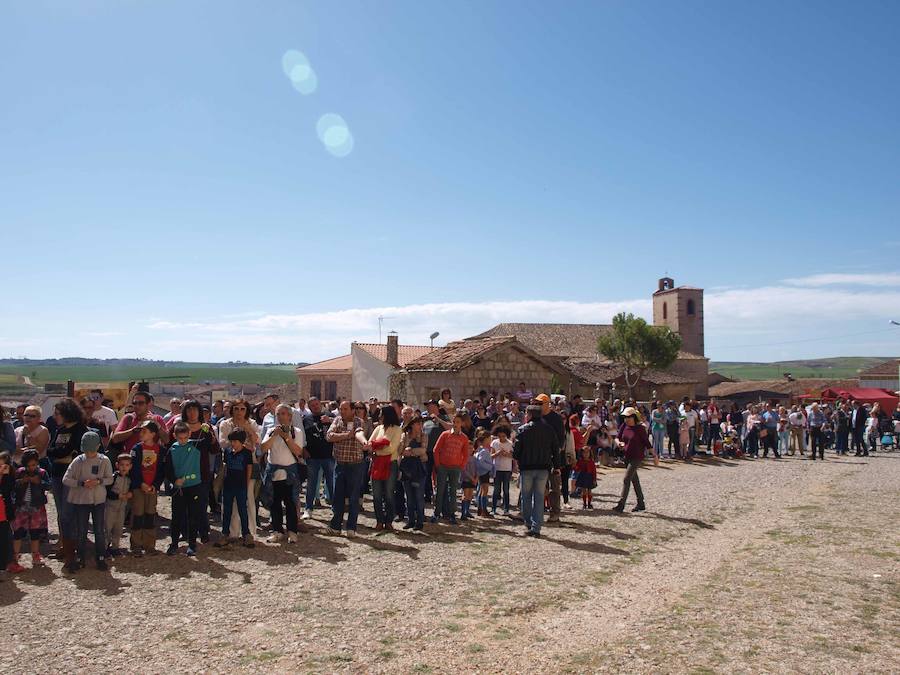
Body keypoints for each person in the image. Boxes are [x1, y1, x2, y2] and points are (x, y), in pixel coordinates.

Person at [62, 431, 113, 572]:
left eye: (92, 450)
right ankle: (80, 557)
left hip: (98, 500)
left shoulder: (104, 460)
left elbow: (110, 478)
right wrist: (81, 483)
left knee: (99, 530)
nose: (90, 453)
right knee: (82, 530)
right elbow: (66, 479)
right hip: (81, 500)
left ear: (97, 447)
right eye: (87, 450)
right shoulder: (78, 461)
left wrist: (98, 481)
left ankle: (101, 557)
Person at [47, 398, 88, 567]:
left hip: (72, 478)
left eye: (57, 413)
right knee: (61, 513)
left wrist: (63, 455)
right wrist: (63, 455)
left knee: (69, 514)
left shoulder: (80, 430)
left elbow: (76, 456)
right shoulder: (60, 430)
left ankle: (74, 551)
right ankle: (65, 546)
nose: (54, 417)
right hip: (57, 476)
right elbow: (51, 451)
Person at [260, 405, 305, 543]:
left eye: (284, 413)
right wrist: (274, 435)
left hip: (289, 474)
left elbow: (298, 451)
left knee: (291, 503)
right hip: (273, 473)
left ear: (290, 416)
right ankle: (277, 530)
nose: (280, 416)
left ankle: (292, 531)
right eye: (278, 414)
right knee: (274, 503)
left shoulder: (296, 431)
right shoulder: (270, 430)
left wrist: (286, 436)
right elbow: (263, 448)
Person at [513, 405, 559, 538]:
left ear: (530, 415)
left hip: (527, 468)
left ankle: (528, 522)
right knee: (539, 498)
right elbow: (555, 449)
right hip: (543, 468)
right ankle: (536, 527)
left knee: (526, 496)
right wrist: (556, 467)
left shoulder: (522, 430)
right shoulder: (549, 430)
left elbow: (516, 452)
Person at [216, 400, 259, 535]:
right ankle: (232, 532)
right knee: (229, 501)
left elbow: (258, 441)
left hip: (248, 464)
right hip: (231, 464)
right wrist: (239, 444)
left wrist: (247, 428)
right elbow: (222, 443)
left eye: (242, 409)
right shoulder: (225, 424)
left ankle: (249, 531)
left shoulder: (252, 423)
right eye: (236, 409)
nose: (239, 412)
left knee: (248, 498)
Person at [178, 400, 219, 541]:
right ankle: (187, 533)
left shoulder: (206, 428)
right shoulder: (179, 427)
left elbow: (215, 450)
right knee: (184, 505)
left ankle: (203, 532)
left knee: (201, 504)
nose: (192, 412)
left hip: (202, 472)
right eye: (189, 409)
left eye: (195, 409)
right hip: (183, 472)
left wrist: (212, 438)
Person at [325, 401, 367, 536]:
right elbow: (329, 436)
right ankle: (336, 526)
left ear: (352, 410)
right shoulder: (337, 420)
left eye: (345, 409)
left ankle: (351, 528)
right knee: (338, 496)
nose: (342, 411)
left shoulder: (358, 422)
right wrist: (346, 435)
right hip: (340, 464)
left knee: (354, 497)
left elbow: (359, 433)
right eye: (341, 409)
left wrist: (363, 441)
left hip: (355, 465)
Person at [166, 422, 204, 556]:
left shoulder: (196, 444)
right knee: (176, 516)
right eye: (179, 438)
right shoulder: (172, 449)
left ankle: (192, 544)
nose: (182, 441)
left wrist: (205, 427)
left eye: (185, 438)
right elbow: (168, 468)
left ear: (189, 435)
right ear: (174, 436)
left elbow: (209, 442)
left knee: (193, 516)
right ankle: (174, 543)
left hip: (194, 486)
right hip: (179, 488)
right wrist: (174, 480)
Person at [9, 449, 50, 571]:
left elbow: (48, 485)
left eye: (33, 465)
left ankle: (35, 554)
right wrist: (22, 481)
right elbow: (13, 486)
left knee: (35, 532)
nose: (31, 468)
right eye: (28, 465)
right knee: (18, 532)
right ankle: (15, 556)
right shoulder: (20, 472)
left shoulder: (42, 473)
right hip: (22, 506)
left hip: (36, 507)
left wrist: (39, 482)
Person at [128, 420, 165, 556]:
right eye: (140, 431)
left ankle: (149, 544)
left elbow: (161, 471)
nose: (141, 434)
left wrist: (155, 485)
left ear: (153, 434)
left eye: (144, 431)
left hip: (152, 489)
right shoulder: (136, 449)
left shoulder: (160, 450)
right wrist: (140, 484)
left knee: (150, 514)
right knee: (137, 515)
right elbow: (134, 470)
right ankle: (136, 544)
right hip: (139, 488)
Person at [216, 429, 255, 548]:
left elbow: (249, 468)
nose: (233, 443)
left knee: (243, 510)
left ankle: (246, 535)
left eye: (236, 441)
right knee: (227, 510)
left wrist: (246, 484)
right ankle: (225, 534)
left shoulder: (246, 453)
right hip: (228, 485)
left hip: (241, 486)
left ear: (241, 442)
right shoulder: (227, 451)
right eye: (231, 441)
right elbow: (225, 467)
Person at [367, 405, 403, 532]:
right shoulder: (378, 428)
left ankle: (388, 521)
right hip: (377, 464)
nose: (379, 416)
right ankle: (379, 520)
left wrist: (377, 448)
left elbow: (391, 448)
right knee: (376, 494)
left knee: (388, 494)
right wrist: (379, 446)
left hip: (390, 464)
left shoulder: (397, 429)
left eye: (381, 414)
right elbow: (369, 444)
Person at [431, 413, 470, 525]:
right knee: (440, 490)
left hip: (455, 468)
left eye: (458, 422)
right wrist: (438, 465)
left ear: (461, 423)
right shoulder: (445, 434)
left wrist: (461, 466)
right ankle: (437, 513)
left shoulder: (464, 438)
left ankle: (452, 514)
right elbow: (436, 450)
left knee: (453, 491)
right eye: (454, 422)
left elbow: (466, 454)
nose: (456, 424)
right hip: (443, 466)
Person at [301, 397, 334, 521]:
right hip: (312, 456)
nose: (315, 406)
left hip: (329, 456)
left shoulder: (329, 415)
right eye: (312, 405)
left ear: (320, 404)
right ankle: (308, 508)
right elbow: (302, 436)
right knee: (311, 484)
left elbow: (341, 424)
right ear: (309, 407)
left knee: (331, 483)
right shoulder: (306, 419)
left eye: (316, 404)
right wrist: (303, 450)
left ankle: (335, 508)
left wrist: (330, 420)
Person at [613, 407, 650, 512]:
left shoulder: (640, 428)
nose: (626, 419)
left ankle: (621, 504)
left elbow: (647, 443)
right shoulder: (624, 426)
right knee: (635, 480)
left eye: (628, 417)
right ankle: (641, 503)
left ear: (634, 417)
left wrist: (655, 455)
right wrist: (618, 443)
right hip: (627, 456)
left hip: (637, 457)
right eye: (624, 417)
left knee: (626, 479)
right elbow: (617, 437)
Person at [398, 415, 427, 531]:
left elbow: (423, 450)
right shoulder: (405, 436)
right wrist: (406, 450)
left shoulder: (424, 436)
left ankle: (420, 521)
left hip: (419, 467)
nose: (420, 426)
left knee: (419, 496)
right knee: (409, 496)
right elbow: (400, 450)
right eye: (418, 423)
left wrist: (410, 451)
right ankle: (410, 520)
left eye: (421, 424)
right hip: (407, 468)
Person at [422, 400, 451, 504]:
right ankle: (428, 495)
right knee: (426, 473)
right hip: (427, 451)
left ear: (436, 407)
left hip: (440, 452)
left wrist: (438, 419)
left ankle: (442, 496)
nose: (428, 408)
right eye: (427, 406)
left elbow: (450, 427)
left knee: (441, 474)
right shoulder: (426, 420)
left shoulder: (444, 417)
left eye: (430, 406)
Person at [105, 454, 133, 557]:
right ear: (117, 465)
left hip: (122, 507)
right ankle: (104, 547)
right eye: (122, 465)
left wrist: (130, 493)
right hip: (111, 506)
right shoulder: (114, 477)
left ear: (130, 466)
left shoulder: (130, 479)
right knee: (107, 527)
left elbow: (131, 489)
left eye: (127, 465)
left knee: (118, 528)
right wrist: (118, 496)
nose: (124, 467)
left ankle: (115, 547)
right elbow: (107, 492)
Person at [490, 426, 513, 515]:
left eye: (503, 436)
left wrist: (506, 454)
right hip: (497, 469)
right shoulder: (494, 443)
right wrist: (497, 453)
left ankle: (506, 509)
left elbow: (512, 456)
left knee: (506, 490)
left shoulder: (510, 443)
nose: (502, 438)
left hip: (507, 469)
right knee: (496, 490)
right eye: (500, 436)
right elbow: (491, 456)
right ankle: (493, 509)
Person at [474, 431, 494, 518]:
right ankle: (483, 510)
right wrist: (489, 467)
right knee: (484, 491)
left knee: (482, 491)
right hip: (484, 472)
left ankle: (480, 508)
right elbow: (480, 462)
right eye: (489, 439)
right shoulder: (484, 451)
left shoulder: (481, 449)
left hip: (482, 472)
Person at [459, 439, 479, 521]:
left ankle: (467, 511)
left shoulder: (474, 458)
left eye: (471, 448)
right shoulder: (463, 458)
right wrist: (471, 478)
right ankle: (463, 512)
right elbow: (464, 470)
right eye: (468, 448)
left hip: (473, 479)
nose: (470, 450)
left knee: (470, 495)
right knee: (465, 495)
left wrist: (476, 478)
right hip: (466, 479)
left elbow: (477, 468)